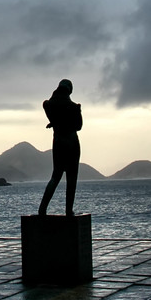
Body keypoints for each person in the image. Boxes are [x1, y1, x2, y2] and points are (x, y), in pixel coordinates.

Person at [38, 78, 83, 216]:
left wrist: (54, 123)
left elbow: (46, 106)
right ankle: (68, 210)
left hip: (58, 142)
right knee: (72, 178)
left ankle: (42, 209)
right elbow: (79, 126)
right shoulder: (74, 107)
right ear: (69, 90)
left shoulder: (50, 105)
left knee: (55, 176)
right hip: (72, 143)